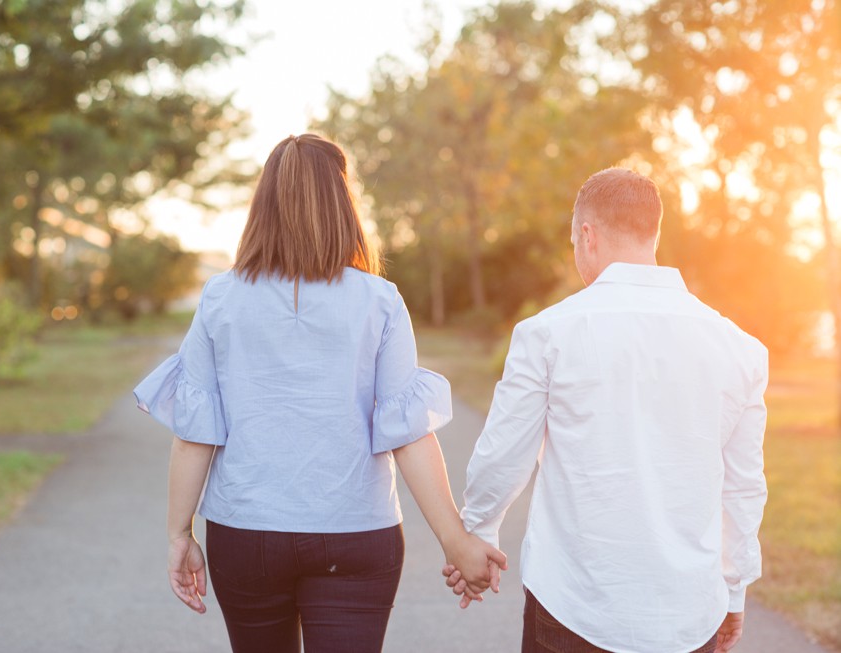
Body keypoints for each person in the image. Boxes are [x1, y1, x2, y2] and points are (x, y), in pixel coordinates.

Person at [134, 133, 505, 653]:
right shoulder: (379, 300)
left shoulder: (221, 297)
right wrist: (456, 540)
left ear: (263, 205)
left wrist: (180, 534)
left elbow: (195, 433)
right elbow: (408, 434)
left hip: (246, 533)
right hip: (356, 533)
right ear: (343, 205)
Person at [444, 167, 768, 653]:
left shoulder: (548, 334)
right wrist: (734, 589)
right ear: (652, 234)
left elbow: (503, 454)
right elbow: (743, 487)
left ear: (587, 236)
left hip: (575, 605)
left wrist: (478, 534)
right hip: (688, 615)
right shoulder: (740, 349)